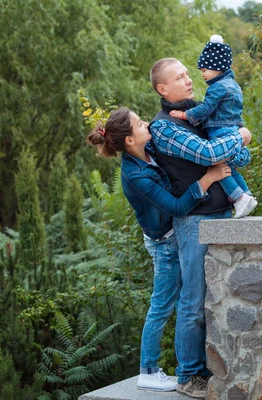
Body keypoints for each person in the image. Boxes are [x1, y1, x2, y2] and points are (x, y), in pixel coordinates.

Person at [86, 107, 233, 395]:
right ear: (130, 140)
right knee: (163, 304)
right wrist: (209, 177)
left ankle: (182, 367)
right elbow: (177, 207)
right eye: (140, 123)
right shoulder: (134, 174)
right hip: (163, 241)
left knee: (181, 302)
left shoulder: (150, 148)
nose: (146, 123)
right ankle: (148, 371)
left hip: (173, 232)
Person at [148, 57, 252, 398]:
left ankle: (214, 371)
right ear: (163, 88)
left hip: (224, 216)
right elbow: (210, 154)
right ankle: (189, 375)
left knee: (221, 300)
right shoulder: (163, 127)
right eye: (180, 77)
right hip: (195, 222)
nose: (189, 79)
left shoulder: (200, 113)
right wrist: (239, 135)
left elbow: (241, 158)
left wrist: (234, 141)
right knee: (193, 302)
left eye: (188, 74)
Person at [169, 34, 257, 219]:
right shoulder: (233, 85)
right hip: (233, 129)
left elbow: (207, 108)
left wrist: (186, 115)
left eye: (204, 69)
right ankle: (247, 195)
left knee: (218, 164)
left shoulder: (217, 87)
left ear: (217, 67)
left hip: (220, 131)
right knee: (230, 169)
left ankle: (239, 198)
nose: (201, 74)